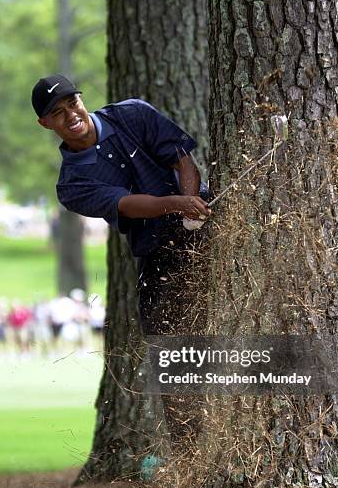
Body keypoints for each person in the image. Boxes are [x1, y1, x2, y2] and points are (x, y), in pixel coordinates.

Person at [31, 74, 211, 333]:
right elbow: (127, 204)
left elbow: (182, 159)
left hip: (204, 218)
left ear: (81, 99)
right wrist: (179, 205)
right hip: (157, 250)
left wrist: (191, 208)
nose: (71, 115)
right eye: (58, 112)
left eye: (72, 103)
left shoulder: (132, 114)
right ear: (45, 123)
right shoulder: (71, 186)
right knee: (164, 337)